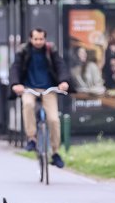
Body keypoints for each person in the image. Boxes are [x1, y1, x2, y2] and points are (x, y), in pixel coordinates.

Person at [9, 28, 70, 168]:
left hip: (48, 89)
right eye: (35, 39)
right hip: (29, 88)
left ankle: (55, 152)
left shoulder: (50, 50)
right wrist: (15, 84)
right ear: (31, 39)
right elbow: (15, 68)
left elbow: (60, 66)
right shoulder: (24, 51)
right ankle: (32, 138)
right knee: (28, 105)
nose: (38, 42)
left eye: (41, 39)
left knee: (54, 119)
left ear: (45, 39)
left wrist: (63, 81)